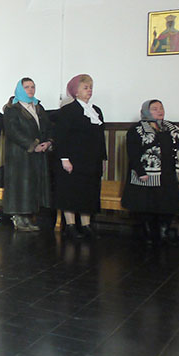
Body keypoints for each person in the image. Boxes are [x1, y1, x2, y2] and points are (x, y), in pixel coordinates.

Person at [122, 99, 179, 244]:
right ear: (146, 111)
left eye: (161, 108)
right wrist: (141, 172)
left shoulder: (173, 129)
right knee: (147, 205)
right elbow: (133, 154)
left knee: (169, 204)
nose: (159, 111)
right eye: (155, 109)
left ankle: (164, 232)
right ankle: (148, 234)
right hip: (146, 175)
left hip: (168, 175)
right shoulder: (136, 130)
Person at [52, 74, 106, 238]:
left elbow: (100, 137)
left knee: (88, 192)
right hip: (73, 159)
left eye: (90, 87)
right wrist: (64, 158)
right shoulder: (68, 111)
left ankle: (86, 225)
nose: (89, 90)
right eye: (85, 87)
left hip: (91, 160)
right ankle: (70, 225)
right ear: (76, 91)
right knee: (71, 191)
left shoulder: (96, 111)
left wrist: (103, 158)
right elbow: (61, 136)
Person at [2, 78, 53, 232]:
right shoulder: (12, 109)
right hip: (19, 155)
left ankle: (28, 217)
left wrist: (48, 142)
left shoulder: (38, 107)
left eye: (32, 87)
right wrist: (32, 145)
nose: (30, 90)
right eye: (26, 87)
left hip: (36, 155)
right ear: (20, 89)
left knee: (31, 185)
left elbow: (47, 127)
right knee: (20, 185)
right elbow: (13, 131)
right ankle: (18, 217)